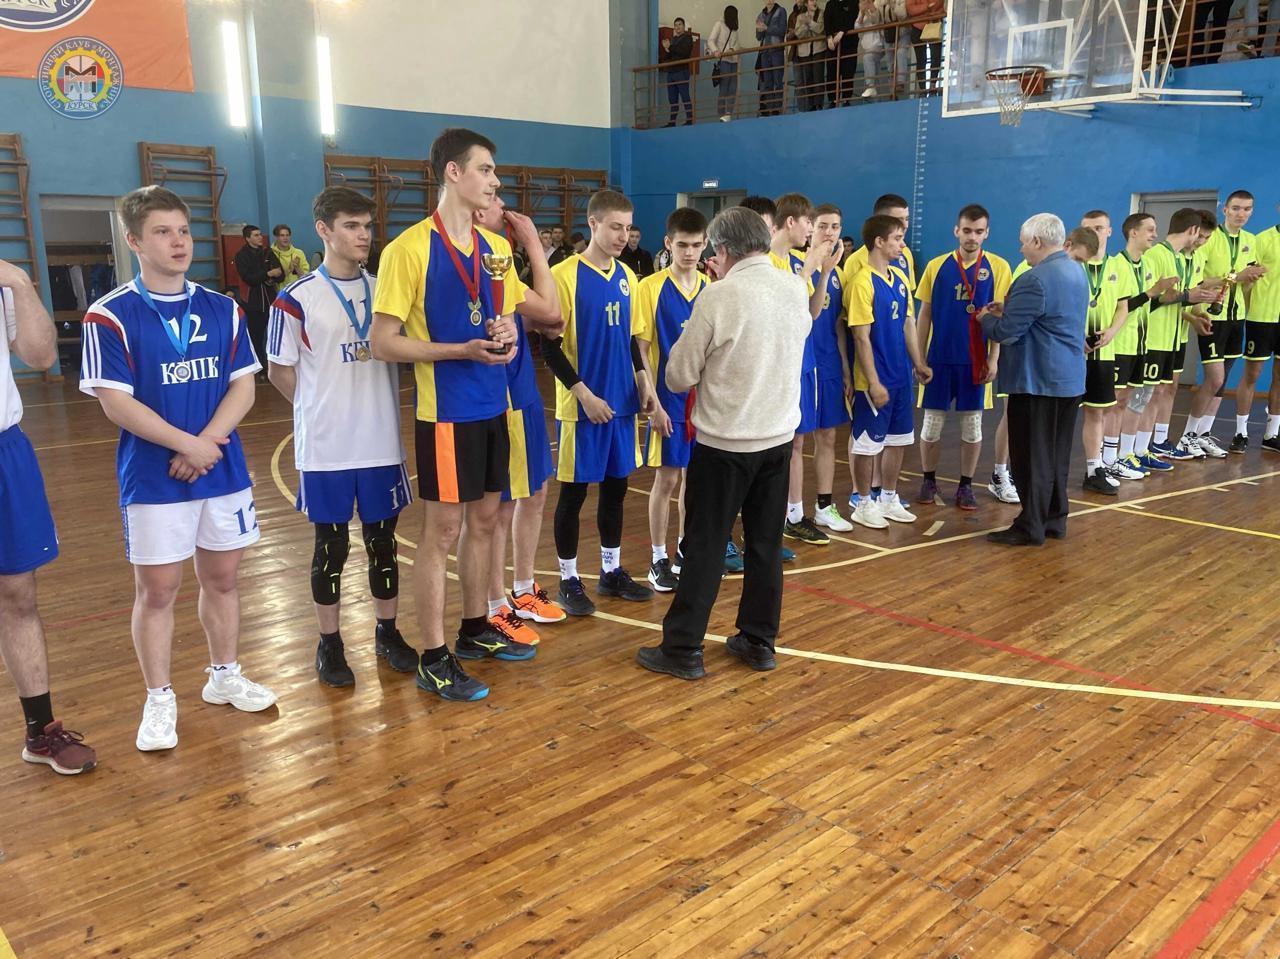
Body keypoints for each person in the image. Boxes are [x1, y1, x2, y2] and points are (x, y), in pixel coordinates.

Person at [81, 186, 275, 751]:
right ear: (134, 240)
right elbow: (116, 402)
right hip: (153, 475)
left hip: (221, 468)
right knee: (158, 590)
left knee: (224, 579)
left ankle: (224, 676)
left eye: (183, 231)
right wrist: (186, 445)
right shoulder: (110, 314)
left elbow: (243, 385)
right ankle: (159, 697)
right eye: (162, 232)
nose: (178, 242)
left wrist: (205, 444)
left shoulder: (222, 308)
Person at [370, 128, 533, 704]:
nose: (495, 180)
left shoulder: (495, 249)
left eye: (494, 171)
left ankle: (474, 627)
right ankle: (434, 657)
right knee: (441, 532)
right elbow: (382, 342)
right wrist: (460, 350)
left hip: (494, 405)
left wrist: (508, 333)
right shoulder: (408, 249)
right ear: (453, 173)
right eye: (485, 169)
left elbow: (506, 318)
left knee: (486, 523)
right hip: (445, 415)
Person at [635, 207, 810, 680]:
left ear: (724, 250)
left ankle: (683, 648)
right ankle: (758, 641)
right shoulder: (795, 287)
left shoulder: (717, 296)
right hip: (778, 439)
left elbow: (678, 375)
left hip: (726, 444)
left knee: (705, 546)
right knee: (765, 546)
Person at [267, 187, 418, 687]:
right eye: (352, 226)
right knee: (330, 549)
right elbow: (279, 370)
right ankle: (329, 644)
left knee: (383, 545)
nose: (364, 235)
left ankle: (387, 632)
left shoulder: (386, 290)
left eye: (367, 226)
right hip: (327, 450)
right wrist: (318, 410)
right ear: (324, 230)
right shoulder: (295, 299)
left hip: (381, 443)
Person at [0, 261, 97, 775]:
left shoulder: (4, 282)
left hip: (4, 450)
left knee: (18, 594)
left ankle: (40, 732)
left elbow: (40, 356)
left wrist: (17, 281)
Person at [545, 189, 659, 615]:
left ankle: (611, 572)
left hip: (622, 405)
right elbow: (549, 347)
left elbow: (631, 340)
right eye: (615, 227)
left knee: (615, 491)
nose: (623, 236)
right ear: (593, 223)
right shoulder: (564, 276)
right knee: (573, 495)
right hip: (583, 408)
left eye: (627, 228)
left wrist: (643, 382)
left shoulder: (629, 276)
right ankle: (568, 579)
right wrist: (584, 395)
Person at [470, 194, 567, 642]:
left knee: (535, 492)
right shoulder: (475, 259)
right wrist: (534, 244)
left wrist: (527, 321)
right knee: (500, 505)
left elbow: (547, 317)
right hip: (496, 395)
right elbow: (551, 310)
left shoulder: (499, 260)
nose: (503, 203)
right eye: (493, 197)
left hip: (522, 389)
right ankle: (494, 605)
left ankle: (523, 588)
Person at [981, 214, 1089, 546]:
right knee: (1056, 456)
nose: (1021, 248)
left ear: (1037, 242)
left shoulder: (1033, 279)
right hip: (1068, 380)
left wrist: (985, 319)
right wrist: (1011, 307)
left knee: (1031, 457)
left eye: (1024, 242)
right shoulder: (1076, 271)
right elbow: (1049, 316)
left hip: (1037, 381)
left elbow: (1007, 332)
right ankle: (1054, 518)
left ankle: (1030, 525)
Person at [915, 204, 1013, 510]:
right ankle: (928, 480)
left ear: (987, 233)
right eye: (967, 230)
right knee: (931, 425)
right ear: (956, 230)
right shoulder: (936, 266)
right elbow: (924, 314)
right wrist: (919, 358)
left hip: (976, 361)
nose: (972, 237)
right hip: (939, 359)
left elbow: (1000, 317)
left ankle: (966, 486)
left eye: (978, 231)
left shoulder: (999, 267)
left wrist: (994, 359)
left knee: (972, 428)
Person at [635, 208, 709, 591]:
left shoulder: (711, 288)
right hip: (668, 401)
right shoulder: (650, 288)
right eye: (682, 245)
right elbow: (641, 350)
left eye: (696, 245)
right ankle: (657, 558)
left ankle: (685, 550)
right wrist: (654, 404)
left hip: (704, 406)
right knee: (666, 480)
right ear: (668, 243)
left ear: (706, 244)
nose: (690, 252)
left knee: (695, 483)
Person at [846, 215, 929, 528]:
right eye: (896, 238)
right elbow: (861, 337)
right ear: (879, 242)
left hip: (901, 377)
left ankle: (888, 498)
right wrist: (874, 382)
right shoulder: (862, 282)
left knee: (898, 441)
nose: (902, 245)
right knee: (867, 444)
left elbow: (908, 323)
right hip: (874, 381)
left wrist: (918, 363)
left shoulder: (900, 279)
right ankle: (863, 502)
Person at [770, 192, 840, 546]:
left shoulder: (797, 262)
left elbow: (811, 313)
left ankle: (793, 515)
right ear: (791, 222)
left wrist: (823, 273)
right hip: (778, 367)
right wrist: (811, 269)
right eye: (811, 223)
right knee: (777, 446)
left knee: (797, 440)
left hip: (802, 363)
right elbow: (778, 314)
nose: (813, 230)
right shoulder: (767, 262)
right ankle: (770, 519)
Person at [1132, 209, 1218, 473]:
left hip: (1173, 337)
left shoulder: (1180, 257)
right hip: (1154, 337)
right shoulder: (1156, 255)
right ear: (1193, 230)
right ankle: (1132, 450)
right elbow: (1149, 299)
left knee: (1164, 390)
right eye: (1200, 235)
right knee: (1143, 396)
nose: (1202, 241)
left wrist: (1195, 312)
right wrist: (1188, 296)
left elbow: (1180, 299)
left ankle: (1153, 444)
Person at [1195, 191, 1267, 454]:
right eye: (1236, 208)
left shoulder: (1251, 240)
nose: (1241, 214)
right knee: (1214, 378)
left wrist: (1251, 280)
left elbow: (1245, 283)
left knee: (1222, 379)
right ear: (1224, 209)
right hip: (1212, 315)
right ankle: (1190, 434)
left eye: (1247, 209)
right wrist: (1236, 277)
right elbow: (1199, 280)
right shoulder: (1210, 238)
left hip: (1237, 317)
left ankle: (1203, 433)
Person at [1076, 213, 1138, 494]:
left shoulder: (1118, 266)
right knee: (1060, 414)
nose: (1094, 233)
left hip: (1103, 353)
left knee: (1097, 413)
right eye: (1088, 229)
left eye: (1099, 228)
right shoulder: (1073, 264)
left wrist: (1112, 331)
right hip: (1072, 353)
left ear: (1110, 231)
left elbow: (1123, 306)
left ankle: (1094, 469)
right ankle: (1048, 469)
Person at [806, 204, 854, 532]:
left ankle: (824, 505)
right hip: (800, 365)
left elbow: (838, 325)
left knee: (827, 435)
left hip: (829, 364)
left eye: (835, 226)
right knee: (794, 441)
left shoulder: (838, 273)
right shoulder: (797, 266)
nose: (829, 232)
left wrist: (846, 370)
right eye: (823, 225)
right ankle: (790, 511)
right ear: (810, 228)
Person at [1235, 205, 1280, 453]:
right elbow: (1247, 280)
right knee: (1252, 374)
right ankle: (1240, 432)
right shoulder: (1262, 239)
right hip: (1261, 317)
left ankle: (1271, 434)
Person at [234, 224, 283, 376]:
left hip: (271, 301)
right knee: (256, 337)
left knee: (276, 335)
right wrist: (268, 274)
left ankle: (278, 367)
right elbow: (249, 279)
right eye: (256, 235)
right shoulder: (241, 256)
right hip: (253, 304)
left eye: (260, 234)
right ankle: (260, 370)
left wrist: (272, 276)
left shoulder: (268, 252)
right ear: (247, 238)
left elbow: (280, 274)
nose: (260, 237)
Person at [708, 5, 742, 121]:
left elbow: (737, 44)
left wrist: (732, 49)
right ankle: (721, 114)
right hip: (724, 61)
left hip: (734, 60)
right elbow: (711, 40)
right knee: (724, 88)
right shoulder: (719, 24)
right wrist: (716, 51)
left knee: (733, 88)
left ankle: (729, 113)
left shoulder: (735, 29)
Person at [660, 16, 695, 127]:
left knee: (685, 96)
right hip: (671, 72)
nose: (677, 27)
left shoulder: (687, 38)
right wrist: (666, 49)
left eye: (679, 24)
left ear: (684, 26)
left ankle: (689, 120)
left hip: (681, 71)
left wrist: (670, 47)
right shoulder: (673, 40)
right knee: (672, 98)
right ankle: (672, 122)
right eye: (675, 25)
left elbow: (684, 53)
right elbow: (668, 57)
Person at [791, 0, 826, 112]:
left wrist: (809, 22)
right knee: (808, 78)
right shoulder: (800, 17)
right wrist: (806, 25)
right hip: (804, 52)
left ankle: (818, 104)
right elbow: (798, 34)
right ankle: (811, 105)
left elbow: (820, 29)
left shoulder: (821, 13)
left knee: (818, 77)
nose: (814, 2)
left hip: (818, 49)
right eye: (811, 0)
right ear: (806, 4)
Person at [823, 0, 859, 105]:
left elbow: (852, 18)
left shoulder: (853, 2)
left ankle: (846, 99)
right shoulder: (830, 4)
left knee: (848, 72)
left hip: (849, 44)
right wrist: (829, 37)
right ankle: (833, 100)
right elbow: (827, 22)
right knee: (832, 73)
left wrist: (842, 32)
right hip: (833, 45)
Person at [756, 0, 788, 115]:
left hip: (777, 50)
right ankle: (769, 108)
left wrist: (766, 28)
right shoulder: (761, 15)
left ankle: (777, 109)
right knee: (767, 82)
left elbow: (782, 31)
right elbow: (758, 37)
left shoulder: (781, 11)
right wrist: (759, 30)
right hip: (765, 51)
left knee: (778, 80)